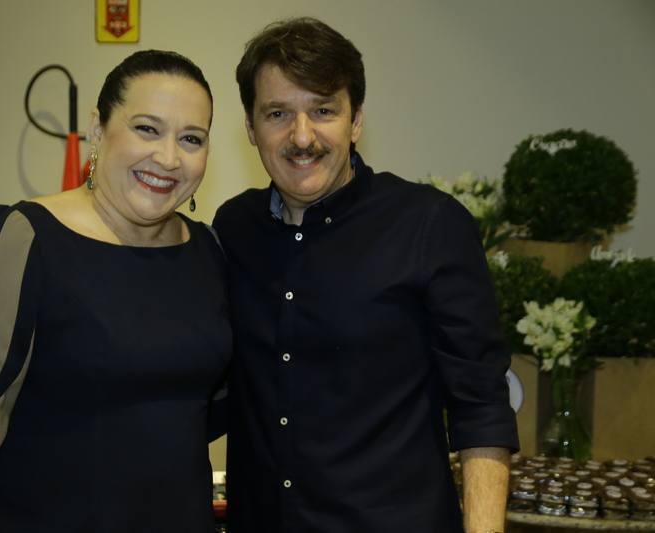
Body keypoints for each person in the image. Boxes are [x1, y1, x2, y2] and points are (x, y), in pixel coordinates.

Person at [0, 50, 231, 533]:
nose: (168, 157)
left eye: (191, 138)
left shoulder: (208, 253)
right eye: (147, 129)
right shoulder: (18, 241)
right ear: (98, 130)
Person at [213, 17, 519, 533]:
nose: (302, 136)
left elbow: (482, 404)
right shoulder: (233, 228)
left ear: (355, 121)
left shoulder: (429, 225)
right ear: (250, 127)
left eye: (323, 110)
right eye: (278, 113)